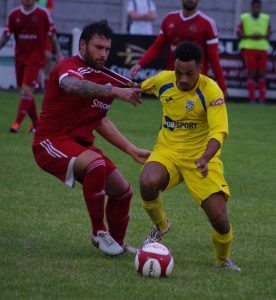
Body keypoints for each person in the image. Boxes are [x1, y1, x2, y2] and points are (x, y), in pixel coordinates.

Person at [32, 20, 150, 256]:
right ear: (83, 45)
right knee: (95, 164)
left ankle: (117, 242)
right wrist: (114, 90)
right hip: (50, 143)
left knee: (122, 191)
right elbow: (72, 86)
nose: (103, 54)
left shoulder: (108, 77)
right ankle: (99, 232)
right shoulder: (68, 67)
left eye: (107, 49)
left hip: (79, 146)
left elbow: (101, 121)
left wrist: (131, 149)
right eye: (98, 47)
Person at [139, 41, 240, 271]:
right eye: (179, 73)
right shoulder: (164, 81)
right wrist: (131, 92)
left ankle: (223, 261)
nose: (183, 79)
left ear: (200, 69)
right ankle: (161, 226)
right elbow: (140, 87)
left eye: (189, 74)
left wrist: (205, 158)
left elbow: (219, 131)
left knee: (220, 219)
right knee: (147, 181)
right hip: (168, 152)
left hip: (202, 158)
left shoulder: (211, 91)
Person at [130, 0, 228, 98]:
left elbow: (214, 58)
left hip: (196, 83)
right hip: (173, 81)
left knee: (193, 113)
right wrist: (140, 64)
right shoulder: (169, 19)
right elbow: (157, 47)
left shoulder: (208, 23)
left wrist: (222, 87)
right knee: (171, 113)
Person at [0, 0, 63, 133]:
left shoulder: (43, 14)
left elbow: (52, 36)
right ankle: (37, 124)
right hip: (19, 58)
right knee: (25, 92)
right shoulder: (14, 14)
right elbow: (6, 36)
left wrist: (58, 53)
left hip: (35, 59)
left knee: (26, 91)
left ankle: (16, 124)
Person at [236, 0, 272, 104]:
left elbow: (269, 33)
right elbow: (238, 32)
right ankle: (252, 99)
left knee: (261, 74)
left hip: (262, 48)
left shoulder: (265, 18)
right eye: (254, 7)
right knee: (251, 73)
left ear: (260, 8)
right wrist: (250, 36)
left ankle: (261, 100)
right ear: (251, 7)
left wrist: (261, 36)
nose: (256, 9)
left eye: (258, 7)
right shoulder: (244, 18)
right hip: (249, 48)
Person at [36, 0, 55, 90]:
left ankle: (47, 81)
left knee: (47, 56)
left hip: (45, 30)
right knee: (36, 58)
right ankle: (37, 83)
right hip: (34, 31)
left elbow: (50, 11)